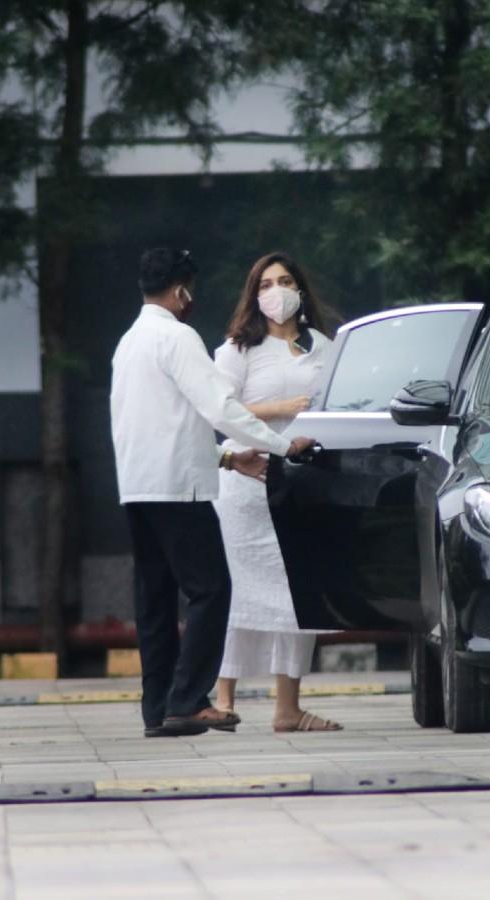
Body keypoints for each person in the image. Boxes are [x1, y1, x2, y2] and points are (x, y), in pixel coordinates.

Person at [110, 247, 315, 738]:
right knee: (211, 590)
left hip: (138, 487)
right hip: (180, 490)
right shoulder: (177, 338)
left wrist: (228, 457)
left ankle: (157, 708)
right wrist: (284, 446)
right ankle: (189, 701)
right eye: (190, 292)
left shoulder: (129, 343)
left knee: (155, 601)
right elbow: (220, 409)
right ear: (181, 291)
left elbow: (162, 421)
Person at [213, 251, 343, 732]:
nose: (276, 291)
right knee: (235, 591)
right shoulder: (236, 350)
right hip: (246, 484)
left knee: (296, 592)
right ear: (253, 294)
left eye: (285, 281)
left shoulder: (324, 349)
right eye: (265, 284)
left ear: (301, 289)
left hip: (300, 484)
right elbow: (220, 408)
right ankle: (222, 699)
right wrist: (281, 407)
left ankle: (288, 707)